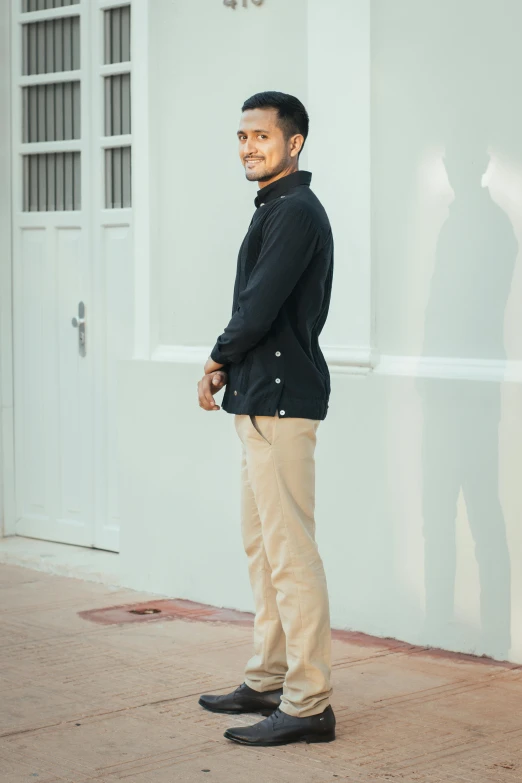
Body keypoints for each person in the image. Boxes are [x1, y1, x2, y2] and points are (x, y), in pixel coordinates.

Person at [196, 91, 335, 747]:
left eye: (261, 136)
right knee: (263, 550)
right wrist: (230, 370)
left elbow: (258, 307)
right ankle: (269, 675)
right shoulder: (276, 208)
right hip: (257, 399)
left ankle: (308, 702)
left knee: (291, 556)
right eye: (242, 136)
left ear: (294, 144)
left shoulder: (296, 213)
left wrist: (216, 357)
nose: (249, 146)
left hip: (281, 401)